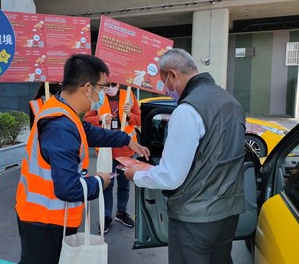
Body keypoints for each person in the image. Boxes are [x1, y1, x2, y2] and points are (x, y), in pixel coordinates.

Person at [15, 54, 150, 264]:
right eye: (102, 87)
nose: (103, 94)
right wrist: (100, 181)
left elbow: (90, 132)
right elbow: (68, 189)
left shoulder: (62, 110)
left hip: (48, 216)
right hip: (44, 220)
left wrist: (127, 139)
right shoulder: (60, 125)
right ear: (87, 88)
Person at [125, 48, 246, 264]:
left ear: (173, 75)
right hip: (228, 213)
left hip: (195, 217)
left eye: (164, 81)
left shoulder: (187, 110)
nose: (166, 89)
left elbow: (171, 176)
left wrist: (137, 175)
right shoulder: (231, 101)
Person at [84, 83, 141, 233]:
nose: (110, 87)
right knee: (106, 184)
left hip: (125, 151)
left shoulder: (129, 95)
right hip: (105, 151)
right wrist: (100, 118)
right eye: (107, 84)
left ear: (119, 83)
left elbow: (140, 119)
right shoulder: (98, 97)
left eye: (113, 84)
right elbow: (87, 120)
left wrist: (129, 115)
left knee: (124, 184)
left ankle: (121, 212)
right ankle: (106, 216)